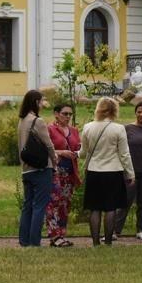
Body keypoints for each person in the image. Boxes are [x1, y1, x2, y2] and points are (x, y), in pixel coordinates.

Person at [78, 97, 135, 246]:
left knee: (94, 209)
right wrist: (130, 173)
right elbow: (124, 154)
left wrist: (75, 153)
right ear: (115, 110)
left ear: (98, 109)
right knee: (111, 208)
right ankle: (108, 241)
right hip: (113, 172)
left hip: (94, 171)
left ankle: (95, 242)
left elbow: (84, 152)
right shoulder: (119, 128)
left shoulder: (88, 127)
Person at [17, 89, 56, 247]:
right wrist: (54, 159)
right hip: (41, 168)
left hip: (26, 169)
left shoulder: (21, 121)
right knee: (39, 206)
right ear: (36, 102)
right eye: (41, 101)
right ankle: (34, 241)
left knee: (28, 206)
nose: (42, 104)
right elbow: (48, 144)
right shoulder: (37, 121)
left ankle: (24, 240)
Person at [113, 100, 142, 240]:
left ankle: (141, 230)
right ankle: (115, 231)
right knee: (124, 200)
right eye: (139, 112)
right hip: (129, 171)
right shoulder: (127, 129)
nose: (141, 115)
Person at [45, 102, 81, 248]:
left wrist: (78, 151)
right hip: (55, 171)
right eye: (64, 113)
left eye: (70, 114)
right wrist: (61, 152)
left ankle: (62, 234)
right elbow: (45, 149)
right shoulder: (49, 129)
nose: (67, 117)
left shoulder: (74, 131)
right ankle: (54, 235)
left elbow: (79, 147)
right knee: (53, 203)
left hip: (70, 172)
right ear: (56, 113)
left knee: (65, 205)